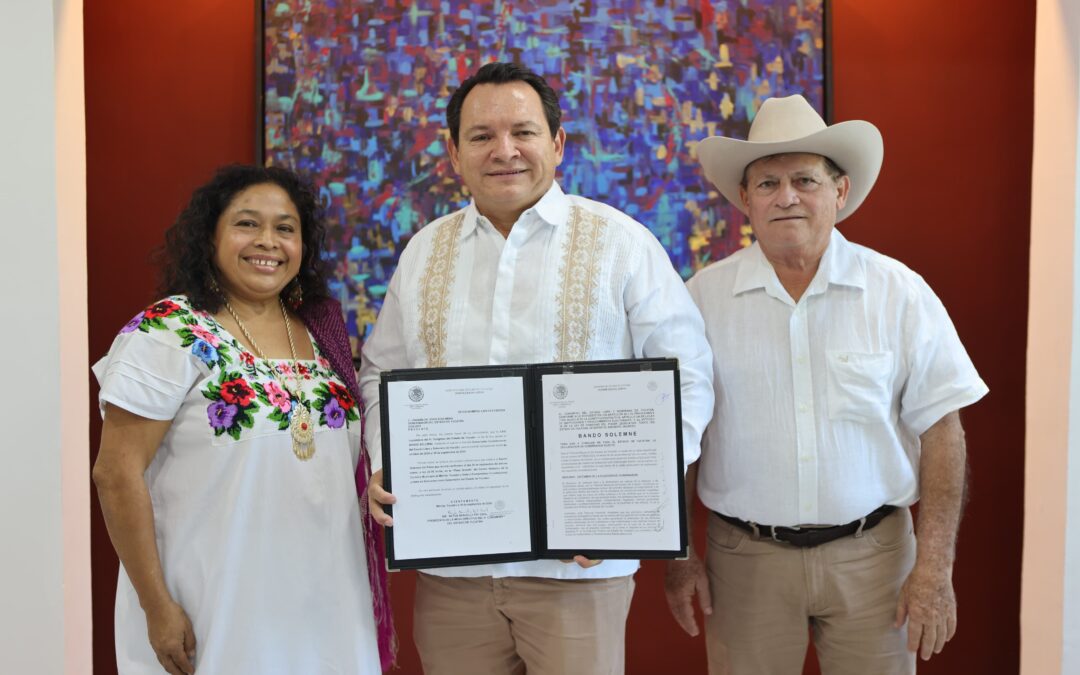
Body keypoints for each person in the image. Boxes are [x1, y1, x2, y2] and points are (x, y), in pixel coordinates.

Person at [359, 62, 715, 675]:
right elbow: (379, 375)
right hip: (454, 575)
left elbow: (686, 381)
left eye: (523, 131)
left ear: (557, 142)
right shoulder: (423, 252)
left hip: (579, 570)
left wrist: (623, 505)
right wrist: (388, 456)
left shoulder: (620, 243)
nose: (504, 151)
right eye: (480, 136)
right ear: (453, 153)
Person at [664, 94, 989, 675]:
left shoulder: (898, 292)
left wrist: (935, 566)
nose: (785, 197)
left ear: (839, 193)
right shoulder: (700, 300)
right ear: (744, 199)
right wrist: (683, 554)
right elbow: (679, 436)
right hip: (744, 564)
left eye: (804, 180)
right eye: (766, 184)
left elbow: (943, 432)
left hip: (877, 561)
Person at [92, 165, 394, 675]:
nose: (267, 242)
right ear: (210, 236)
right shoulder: (169, 330)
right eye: (247, 224)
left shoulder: (321, 333)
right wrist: (156, 607)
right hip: (214, 605)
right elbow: (115, 475)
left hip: (329, 605)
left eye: (285, 228)